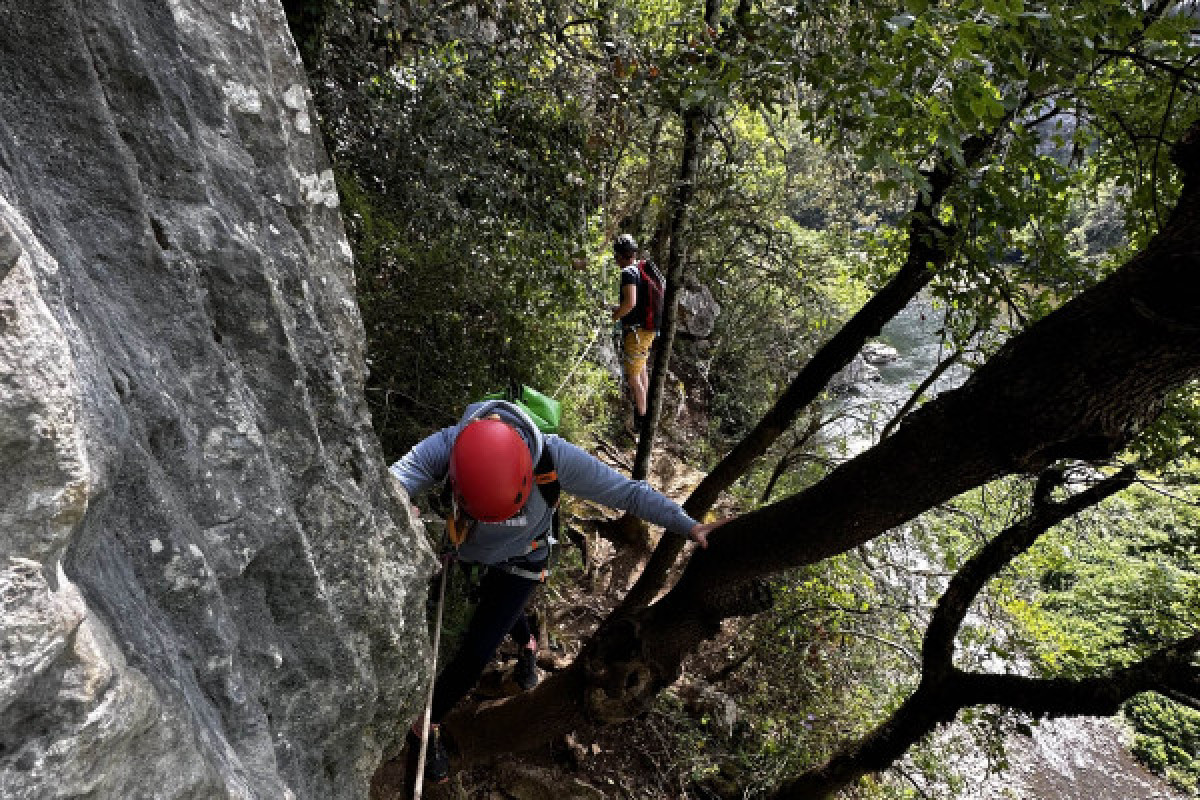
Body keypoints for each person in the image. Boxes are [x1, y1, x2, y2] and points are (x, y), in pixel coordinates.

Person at [390, 398, 728, 784]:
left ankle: (424, 727)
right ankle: (528, 642)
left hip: (523, 563)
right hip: (472, 551)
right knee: (496, 608)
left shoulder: (555, 459)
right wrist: (397, 506)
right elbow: (396, 479)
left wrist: (688, 526)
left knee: (475, 654)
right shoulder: (450, 447)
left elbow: (628, 493)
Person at [610, 233, 655, 428]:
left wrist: (614, 316)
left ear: (620, 256)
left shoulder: (628, 272)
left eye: (616, 257)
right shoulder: (640, 269)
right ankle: (645, 411)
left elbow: (630, 303)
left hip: (637, 333)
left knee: (633, 377)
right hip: (646, 330)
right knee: (642, 369)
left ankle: (642, 420)